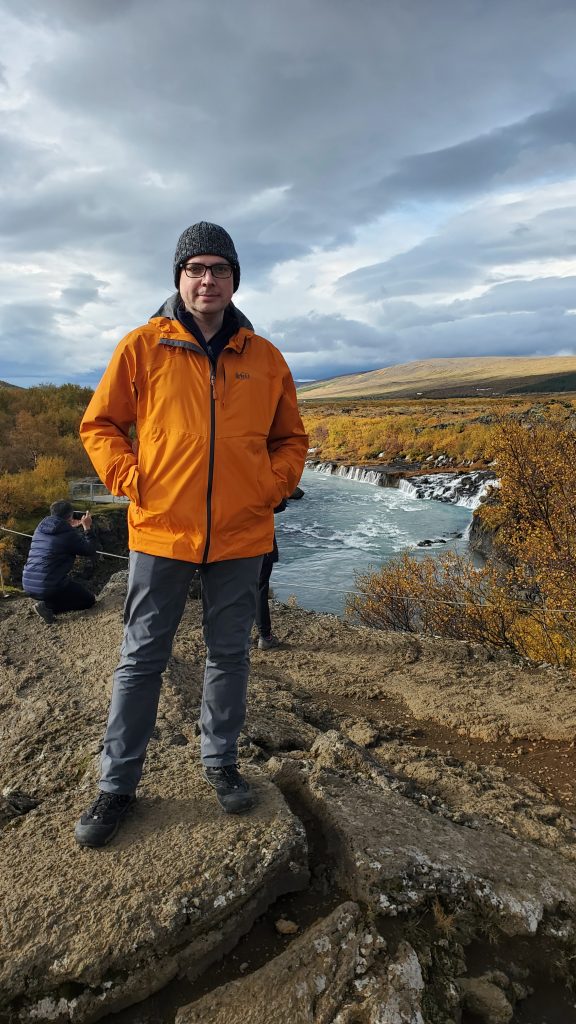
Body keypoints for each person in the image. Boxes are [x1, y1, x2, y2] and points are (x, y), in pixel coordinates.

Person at [75, 221, 308, 847]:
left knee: (229, 655)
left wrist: (272, 485)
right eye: (196, 269)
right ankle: (117, 786)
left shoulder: (264, 357)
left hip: (241, 534)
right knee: (141, 659)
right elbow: (99, 425)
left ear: (235, 280)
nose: (208, 280)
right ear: (179, 277)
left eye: (220, 270)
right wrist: (131, 478)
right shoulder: (142, 347)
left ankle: (221, 763)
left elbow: (291, 439)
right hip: (159, 533)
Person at [22, 500, 97, 623]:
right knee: (89, 600)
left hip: (28, 584)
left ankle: (47, 603)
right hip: (49, 586)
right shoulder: (68, 534)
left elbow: (57, 537)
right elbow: (89, 549)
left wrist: (67, 526)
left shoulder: (40, 528)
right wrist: (87, 527)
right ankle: (49, 607)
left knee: (66, 587)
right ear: (70, 515)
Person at [255, 486, 304, 650]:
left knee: (232, 589)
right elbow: (279, 503)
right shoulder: (256, 468)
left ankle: (237, 635)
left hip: (226, 539)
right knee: (260, 588)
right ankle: (265, 636)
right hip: (259, 538)